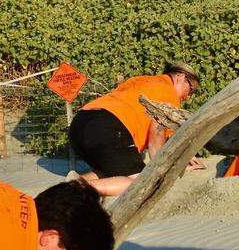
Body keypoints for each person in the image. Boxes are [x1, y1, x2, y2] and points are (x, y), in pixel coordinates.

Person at [69, 62, 204, 197]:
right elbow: (156, 134)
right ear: (179, 77)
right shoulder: (170, 93)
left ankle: (74, 182)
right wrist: (168, 168)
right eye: (190, 89)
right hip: (107, 126)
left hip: (79, 123)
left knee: (115, 170)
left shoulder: (140, 79)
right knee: (140, 184)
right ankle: (74, 190)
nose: (188, 97)